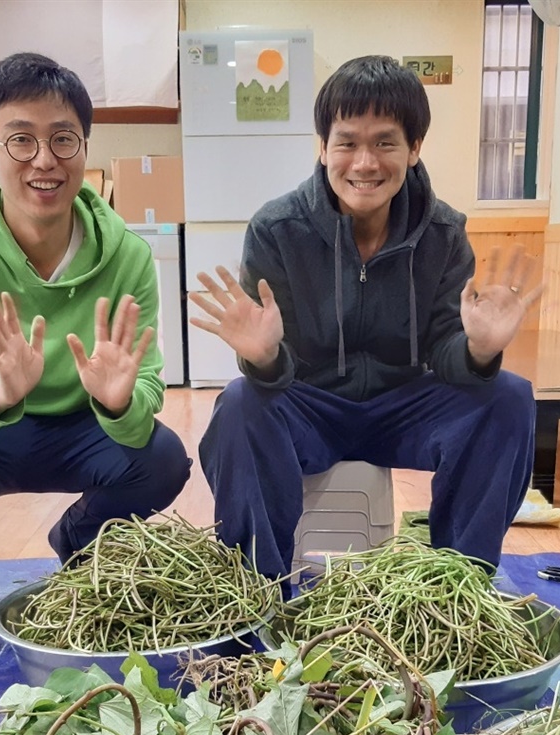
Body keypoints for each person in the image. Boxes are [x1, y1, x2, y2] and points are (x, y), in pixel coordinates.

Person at [191, 54, 540, 583]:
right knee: (238, 405)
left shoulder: (443, 232)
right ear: (324, 147)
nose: (364, 162)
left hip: (403, 407)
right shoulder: (277, 229)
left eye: (385, 142)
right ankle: (256, 589)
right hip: (311, 405)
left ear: (415, 148)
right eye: (347, 142)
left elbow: (447, 353)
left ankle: (460, 585)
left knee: (510, 395)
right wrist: (261, 357)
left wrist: (479, 350)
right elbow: (271, 366)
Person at [0, 53, 190, 623]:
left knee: (164, 458)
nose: (44, 160)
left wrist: (118, 400)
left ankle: (76, 541)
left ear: (84, 148)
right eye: (20, 140)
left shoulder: (128, 254)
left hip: (86, 426)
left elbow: (145, 386)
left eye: (63, 139)